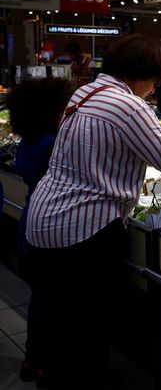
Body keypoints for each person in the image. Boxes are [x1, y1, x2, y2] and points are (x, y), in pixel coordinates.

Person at [27, 35, 161, 389]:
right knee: (89, 324)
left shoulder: (84, 93)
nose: (152, 91)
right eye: (155, 83)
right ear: (143, 74)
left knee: (59, 315)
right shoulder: (129, 106)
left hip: (44, 220)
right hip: (84, 228)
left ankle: (51, 372)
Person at [7, 78, 73, 385]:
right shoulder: (50, 145)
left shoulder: (29, 142)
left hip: (28, 223)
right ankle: (49, 364)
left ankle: (33, 360)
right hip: (46, 228)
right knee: (54, 302)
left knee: (40, 297)